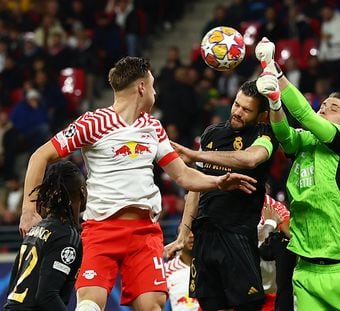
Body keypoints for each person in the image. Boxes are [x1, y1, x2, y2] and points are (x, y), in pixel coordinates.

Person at [18, 56, 257, 311]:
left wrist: (219, 181)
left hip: (145, 233)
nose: (155, 92)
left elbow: (183, 175)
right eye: (153, 86)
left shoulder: (153, 127)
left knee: (152, 306)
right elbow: (40, 156)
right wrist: (28, 210)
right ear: (142, 87)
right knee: (88, 305)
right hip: (101, 230)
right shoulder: (93, 123)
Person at [254, 37, 340, 310]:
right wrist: (275, 103)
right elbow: (285, 134)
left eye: (332, 109)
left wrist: (274, 70)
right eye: (322, 105)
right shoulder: (305, 141)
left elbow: (304, 115)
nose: (323, 109)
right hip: (307, 272)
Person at [166, 80, 278, 310]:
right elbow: (195, 188)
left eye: (246, 109)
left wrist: (195, 155)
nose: (237, 112)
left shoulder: (264, 134)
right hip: (204, 237)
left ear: (261, 115)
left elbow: (249, 159)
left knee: (248, 305)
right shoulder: (212, 134)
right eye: (236, 104)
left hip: (237, 235)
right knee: (211, 305)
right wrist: (182, 233)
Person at [4, 161, 86, 310]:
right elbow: (47, 296)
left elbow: (13, 284)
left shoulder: (35, 230)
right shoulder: (67, 236)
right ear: (82, 192)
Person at [164, 230, 201, 311]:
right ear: (178, 237)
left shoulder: (213, 267)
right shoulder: (166, 271)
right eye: (187, 231)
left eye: (195, 231)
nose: (191, 235)